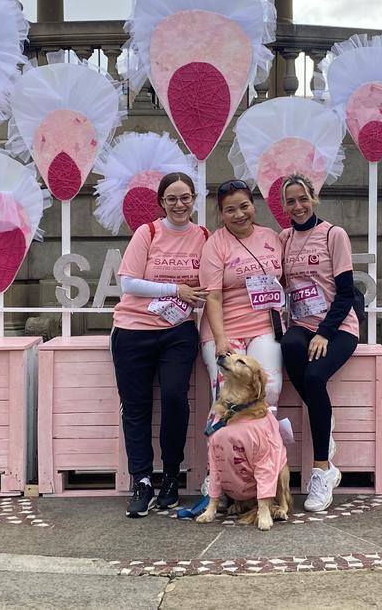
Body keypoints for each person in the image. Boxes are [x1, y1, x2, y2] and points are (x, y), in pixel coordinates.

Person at [110, 171, 210, 518]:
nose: (179, 204)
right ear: (162, 203)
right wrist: (175, 289)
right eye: (172, 199)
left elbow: (210, 285)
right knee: (135, 408)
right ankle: (141, 481)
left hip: (177, 332)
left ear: (194, 199)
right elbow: (128, 282)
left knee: (173, 399)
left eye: (185, 197)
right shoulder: (148, 232)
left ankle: (170, 476)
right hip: (133, 330)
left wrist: (198, 298)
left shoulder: (205, 237)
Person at [277, 174, 359, 511]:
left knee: (313, 378)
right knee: (290, 346)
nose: (298, 206)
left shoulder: (333, 234)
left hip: (338, 327)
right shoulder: (283, 238)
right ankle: (324, 420)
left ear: (314, 198)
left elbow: (346, 294)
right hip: (301, 324)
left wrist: (325, 331)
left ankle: (323, 469)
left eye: (303, 199)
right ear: (284, 206)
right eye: (291, 201)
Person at [198, 179, 286, 488]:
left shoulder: (272, 238)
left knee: (269, 390)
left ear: (254, 206)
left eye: (244, 206)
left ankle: (265, 465)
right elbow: (213, 296)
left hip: (264, 325)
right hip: (225, 329)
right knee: (226, 399)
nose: (239, 215)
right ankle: (218, 473)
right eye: (230, 210)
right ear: (220, 214)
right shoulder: (215, 244)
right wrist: (222, 342)